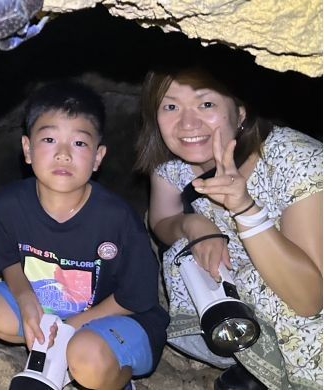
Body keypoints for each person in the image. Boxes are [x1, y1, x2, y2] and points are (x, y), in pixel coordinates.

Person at [0, 80, 169, 390]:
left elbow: (136, 297)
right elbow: (8, 260)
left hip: (117, 318)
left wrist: (70, 326)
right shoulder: (10, 205)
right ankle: (56, 355)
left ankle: (113, 376)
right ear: (27, 149)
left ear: (98, 156)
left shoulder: (116, 219)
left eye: (79, 143)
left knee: (86, 358)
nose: (63, 154)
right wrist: (25, 300)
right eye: (49, 139)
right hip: (49, 310)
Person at [135, 65, 322, 390]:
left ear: (240, 111)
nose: (187, 123)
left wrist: (244, 208)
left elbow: (309, 300)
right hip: (247, 291)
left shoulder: (297, 160)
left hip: (305, 297)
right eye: (171, 106)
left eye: (206, 104)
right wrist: (193, 224)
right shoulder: (173, 167)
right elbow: (161, 220)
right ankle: (252, 359)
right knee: (182, 251)